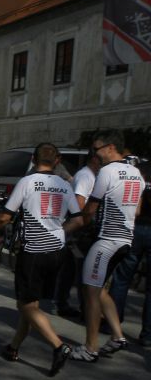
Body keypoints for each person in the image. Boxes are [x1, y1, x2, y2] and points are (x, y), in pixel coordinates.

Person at [0, 143, 83, 376]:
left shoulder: (27, 182)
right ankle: (13, 347)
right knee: (31, 303)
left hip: (34, 252)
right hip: (57, 252)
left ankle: (59, 347)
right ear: (57, 161)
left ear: (34, 160)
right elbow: (78, 220)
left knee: (26, 304)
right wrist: (57, 232)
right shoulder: (64, 185)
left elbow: (5, 217)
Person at [71, 130, 144, 361]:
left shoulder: (107, 172)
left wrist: (74, 224)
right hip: (126, 239)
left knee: (90, 291)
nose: (96, 153)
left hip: (107, 240)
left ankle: (90, 348)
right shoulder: (136, 173)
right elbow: (138, 210)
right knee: (99, 288)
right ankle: (117, 335)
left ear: (111, 148)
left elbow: (90, 209)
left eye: (97, 149)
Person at [108, 160, 151, 347]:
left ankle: (113, 324)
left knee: (122, 277)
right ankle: (148, 335)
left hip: (135, 226)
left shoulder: (138, 170)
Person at [54, 153, 101, 318]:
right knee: (81, 268)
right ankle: (83, 307)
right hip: (79, 230)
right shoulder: (86, 177)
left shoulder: (87, 175)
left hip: (77, 228)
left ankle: (62, 302)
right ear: (94, 159)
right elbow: (79, 205)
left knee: (70, 267)